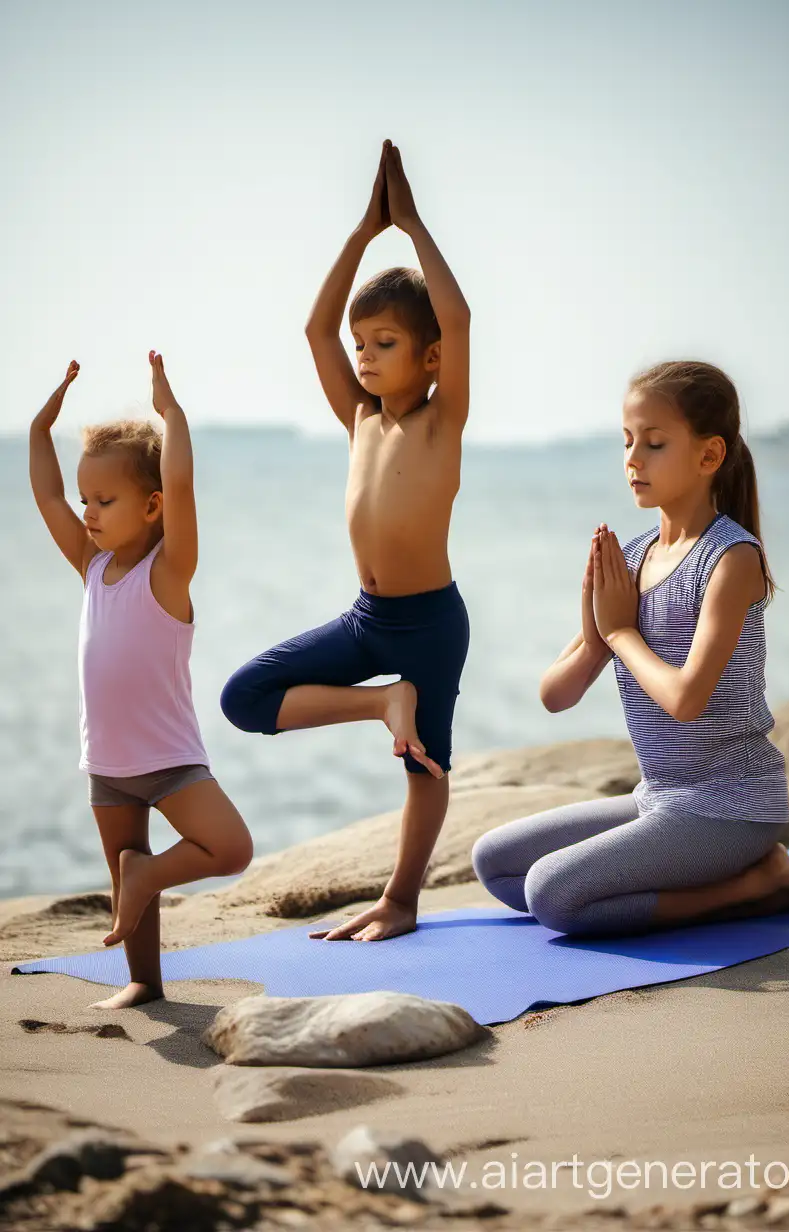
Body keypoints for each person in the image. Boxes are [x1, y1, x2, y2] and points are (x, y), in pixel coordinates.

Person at [472, 360, 789, 936]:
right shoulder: (634, 557)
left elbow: (688, 699)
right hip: (660, 798)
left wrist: (621, 633)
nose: (633, 459)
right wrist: (596, 635)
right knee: (493, 863)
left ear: (709, 456)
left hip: (732, 807)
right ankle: (748, 879)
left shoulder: (732, 558)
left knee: (552, 896)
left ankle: (758, 882)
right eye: (627, 442)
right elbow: (554, 696)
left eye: (655, 443)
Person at [220, 140, 470, 942]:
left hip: (431, 621)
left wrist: (413, 225)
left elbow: (459, 314)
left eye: (384, 344)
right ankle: (379, 704)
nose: (363, 356)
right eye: (361, 346)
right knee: (243, 698)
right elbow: (314, 328)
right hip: (367, 621)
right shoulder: (358, 418)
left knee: (424, 763)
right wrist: (365, 231)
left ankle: (401, 901)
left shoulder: (441, 420)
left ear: (429, 357)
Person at [29, 354, 253, 1006]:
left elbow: (182, 487)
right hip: (107, 760)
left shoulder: (169, 572)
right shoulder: (92, 566)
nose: (89, 513)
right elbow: (47, 495)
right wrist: (43, 428)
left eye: (105, 500)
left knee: (229, 847)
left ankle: (148, 872)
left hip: (167, 757)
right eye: (87, 501)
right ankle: (143, 981)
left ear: (151, 506)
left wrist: (172, 413)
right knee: (126, 878)